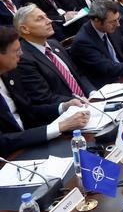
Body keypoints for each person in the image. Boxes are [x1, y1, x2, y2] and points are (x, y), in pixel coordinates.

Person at [0, 27, 89, 155]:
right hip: (10, 157)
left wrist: (64, 106)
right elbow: (3, 141)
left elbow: (29, 111)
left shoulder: (9, 75)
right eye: (16, 50)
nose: (21, 53)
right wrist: (58, 127)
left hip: (32, 143)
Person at [14, 4, 94, 104]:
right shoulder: (23, 58)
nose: (49, 21)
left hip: (89, 101)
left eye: (46, 16)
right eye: (40, 19)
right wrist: (78, 102)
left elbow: (78, 74)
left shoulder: (54, 44)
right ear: (25, 29)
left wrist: (92, 93)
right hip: (69, 111)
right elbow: (43, 96)